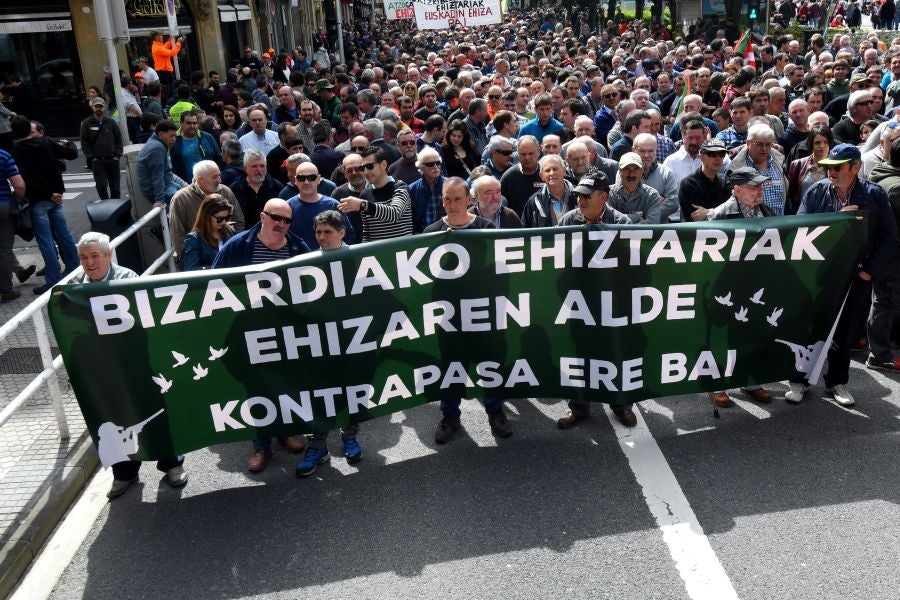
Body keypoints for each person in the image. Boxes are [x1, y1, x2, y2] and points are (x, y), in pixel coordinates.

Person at [74, 232, 187, 498]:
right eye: (83, 257)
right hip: (103, 369)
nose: (89, 263)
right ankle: (124, 473)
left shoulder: (129, 280)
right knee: (112, 417)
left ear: (109, 255)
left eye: (95, 256)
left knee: (154, 412)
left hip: (137, 363)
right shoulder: (74, 289)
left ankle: (172, 464)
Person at [792, 144, 898, 407]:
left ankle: (837, 382)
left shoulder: (873, 194)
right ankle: (799, 380)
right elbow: (800, 229)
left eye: (838, 167)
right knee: (809, 328)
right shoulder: (816, 191)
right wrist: (837, 220)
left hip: (856, 276)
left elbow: (889, 237)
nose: (832, 172)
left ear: (855, 167)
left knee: (846, 331)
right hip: (820, 275)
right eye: (829, 167)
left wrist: (869, 271)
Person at [212, 198, 310, 472]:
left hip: (286, 330)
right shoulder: (238, 245)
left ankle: (286, 432)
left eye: (287, 220)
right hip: (249, 331)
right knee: (258, 386)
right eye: (276, 217)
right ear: (262, 216)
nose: (281, 224)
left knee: (287, 382)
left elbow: (313, 283)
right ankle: (260, 445)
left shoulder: (298, 247)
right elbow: (213, 282)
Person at [423, 177, 511, 442]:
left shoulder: (485, 229)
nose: (452, 204)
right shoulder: (431, 232)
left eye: (457, 199)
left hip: (484, 314)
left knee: (491, 363)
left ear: (469, 200)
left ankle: (495, 411)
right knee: (451, 367)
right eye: (447, 199)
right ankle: (450, 415)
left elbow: (501, 270)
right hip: (449, 317)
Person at [556, 172, 637, 429]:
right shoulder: (568, 221)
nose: (580, 201)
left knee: (615, 352)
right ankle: (578, 407)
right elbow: (556, 261)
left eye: (586, 196)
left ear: (603, 197)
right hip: (580, 301)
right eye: (578, 196)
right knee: (579, 354)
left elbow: (632, 265)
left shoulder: (621, 223)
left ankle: (620, 405)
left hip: (613, 302)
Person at [294, 211, 363, 475]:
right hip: (320, 343)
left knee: (353, 392)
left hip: (353, 340)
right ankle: (317, 446)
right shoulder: (308, 264)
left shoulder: (361, 259)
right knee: (320, 395)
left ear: (341, 233)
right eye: (318, 232)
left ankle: (350, 437)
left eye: (327, 232)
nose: (321, 237)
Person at [10, 116, 79, 293]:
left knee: (46, 241)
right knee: (64, 236)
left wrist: (48, 194)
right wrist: (69, 143)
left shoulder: (16, 150)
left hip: (38, 200)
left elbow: (26, 180)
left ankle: (53, 279)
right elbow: (72, 154)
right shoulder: (46, 142)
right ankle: (75, 270)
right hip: (56, 198)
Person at [169, 160, 245, 259]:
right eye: (215, 177)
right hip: (197, 259)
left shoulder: (225, 191)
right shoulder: (181, 199)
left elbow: (239, 222)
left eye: (219, 175)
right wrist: (189, 259)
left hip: (227, 254)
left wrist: (232, 248)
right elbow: (177, 235)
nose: (219, 180)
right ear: (201, 180)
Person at [337, 146, 413, 241]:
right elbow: (367, 233)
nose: (366, 172)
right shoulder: (365, 194)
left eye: (370, 166)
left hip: (402, 249)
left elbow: (394, 214)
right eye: (362, 168)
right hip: (377, 250)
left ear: (383, 165)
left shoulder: (400, 187)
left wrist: (363, 205)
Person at [287, 162, 354, 249]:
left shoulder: (333, 205)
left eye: (311, 178)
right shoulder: (287, 207)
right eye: (301, 178)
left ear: (318, 179)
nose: (306, 182)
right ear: (295, 180)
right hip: (299, 257)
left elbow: (348, 234)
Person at [136, 119, 187, 208]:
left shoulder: (155, 141)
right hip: (160, 189)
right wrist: (160, 200)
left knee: (190, 193)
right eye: (171, 136)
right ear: (160, 134)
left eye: (175, 136)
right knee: (188, 202)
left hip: (167, 183)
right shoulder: (157, 147)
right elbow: (157, 176)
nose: (174, 139)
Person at [678, 139, 731, 222]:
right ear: (701, 156)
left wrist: (710, 212)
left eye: (722, 154)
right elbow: (696, 217)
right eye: (712, 154)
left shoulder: (725, 180)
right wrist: (721, 212)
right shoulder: (689, 184)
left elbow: (733, 211)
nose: (718, 158)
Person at [79, 97, 122, 200]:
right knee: (101, 186)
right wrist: (92, 158)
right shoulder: (86, 123)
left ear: (105, 107)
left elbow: (118, 139)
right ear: (92, 107)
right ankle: (105, 205)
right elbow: (84, 142)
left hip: (112, 160)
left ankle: (116, 206)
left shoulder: (111, 122)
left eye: (101, 106)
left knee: (115, 188)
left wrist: (117, 155)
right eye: (96, 106)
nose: (98, 108)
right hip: (98, 161)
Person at [0, 148, 27, 302]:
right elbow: (19, 186)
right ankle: (5, 290)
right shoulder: (3, 155)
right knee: (4, 250)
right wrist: (19, 199)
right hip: (2, 205)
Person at [786, 126, 833, 215]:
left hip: (828, 216)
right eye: (817, 143)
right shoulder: (797, 165)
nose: (822, 146)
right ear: (811, 144)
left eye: (825, 142)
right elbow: (789, 195)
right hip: (802, 216)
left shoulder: (836, 166)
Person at [229, 148, 283, 226]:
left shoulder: (277, 187)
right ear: (245, 168)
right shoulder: (234, 189)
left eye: (262, 166)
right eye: (254, 166)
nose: (259, 170)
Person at [181, 194, 235, 271]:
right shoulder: (194, 239)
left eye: (227, 218)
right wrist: (220, 266)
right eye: (219, 219)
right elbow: (191, 270)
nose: (224, 222)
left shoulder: (229, 231)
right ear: (207, 216)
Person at [171, 110, 221, 183]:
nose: (192, 126)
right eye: (188, 123)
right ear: (181, 123)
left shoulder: (207, 137)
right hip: (185, 185)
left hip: (209, 183)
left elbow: (218, 158)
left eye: (194, 123)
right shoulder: (174, 140)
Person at [408, 147, 446, 233]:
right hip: (423, 237)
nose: (435, 167)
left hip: (447, 234)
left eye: (438, 163)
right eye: (430, 164)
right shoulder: (412, 189)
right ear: (421, 168)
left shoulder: (449, 185)